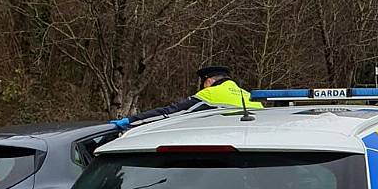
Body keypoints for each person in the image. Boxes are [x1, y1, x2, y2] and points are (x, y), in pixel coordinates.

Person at [109, 66, 263, 129]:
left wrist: (131, 121)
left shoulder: (210, 94)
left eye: (204, 83)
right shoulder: (250, 97)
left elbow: (170, 113)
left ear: (209, 81)